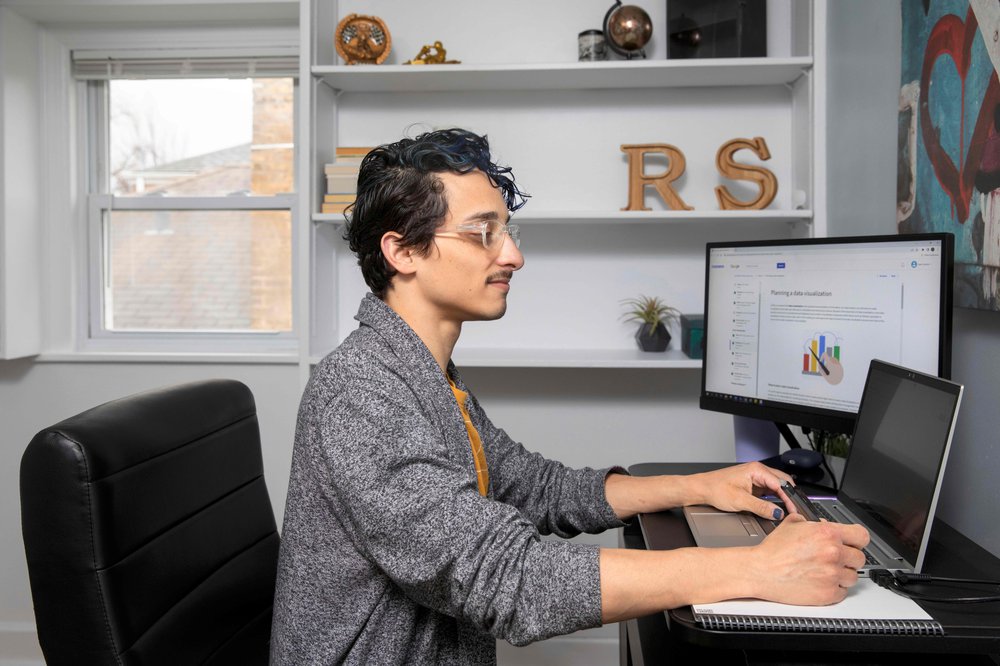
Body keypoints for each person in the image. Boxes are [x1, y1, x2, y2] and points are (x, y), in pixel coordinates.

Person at [269, 128, 870, 665]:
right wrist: (758, 567)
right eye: (483, 234)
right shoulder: (361, 393)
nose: (513, 255)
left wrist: (698, 486)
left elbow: (532, 487)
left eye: (507, 231)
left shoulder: (426, 376)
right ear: (402, 252)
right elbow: (509, 581)